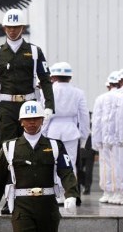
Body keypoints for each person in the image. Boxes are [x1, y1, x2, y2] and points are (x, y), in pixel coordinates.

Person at [0, 9, 54, 213]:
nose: (13, 31)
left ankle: (25, 197)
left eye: (17, 27)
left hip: (29, 106)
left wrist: (49, 106)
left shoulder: (35, 51)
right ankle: (7, 199)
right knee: (6, 154)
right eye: (9, 27)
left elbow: (45, 80)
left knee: (29, 151)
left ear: (23, 28)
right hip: (6, 108)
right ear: (4, 28)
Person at [0, 101, 79, 232]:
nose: (32, 122)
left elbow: (66, 172)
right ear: (21, 121)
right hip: (22, 208)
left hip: (48, 208)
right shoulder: (9, 148)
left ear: (42, 120)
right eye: (27, 119)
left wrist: (71, 194)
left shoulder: (55, 146)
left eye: (36, 118)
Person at [42, 62, 90, 202]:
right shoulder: (78, 92)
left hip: (53, 130)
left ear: (54, 76)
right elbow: (84, 116)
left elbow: (45, 115)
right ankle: (70, 194)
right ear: (70, 77)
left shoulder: (49, 90)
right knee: (70, 163)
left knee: (53, 163)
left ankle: (55, 193)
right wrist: (83, 136)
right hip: (71, 130)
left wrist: (42, 133)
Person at [93, 71, 121, 204]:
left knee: (108, 166)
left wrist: (96, 140)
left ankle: (110, 192)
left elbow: (98, 121)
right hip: (115, 138)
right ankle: (115, 192)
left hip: (108, 138)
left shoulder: (103, 98)